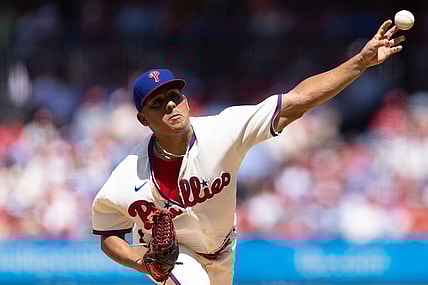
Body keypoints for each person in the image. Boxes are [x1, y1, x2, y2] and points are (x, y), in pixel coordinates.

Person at [92, 20, 406, 284]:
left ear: (186, 100)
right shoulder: (126, 177)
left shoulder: (224, 130)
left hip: (224, 248)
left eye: (174, 95)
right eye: (157, 103)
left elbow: (298, 100)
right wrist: (139, 259)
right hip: (175, 259)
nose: (171, 105)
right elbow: (108, 233)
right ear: (143, 119)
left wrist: (360, 62)